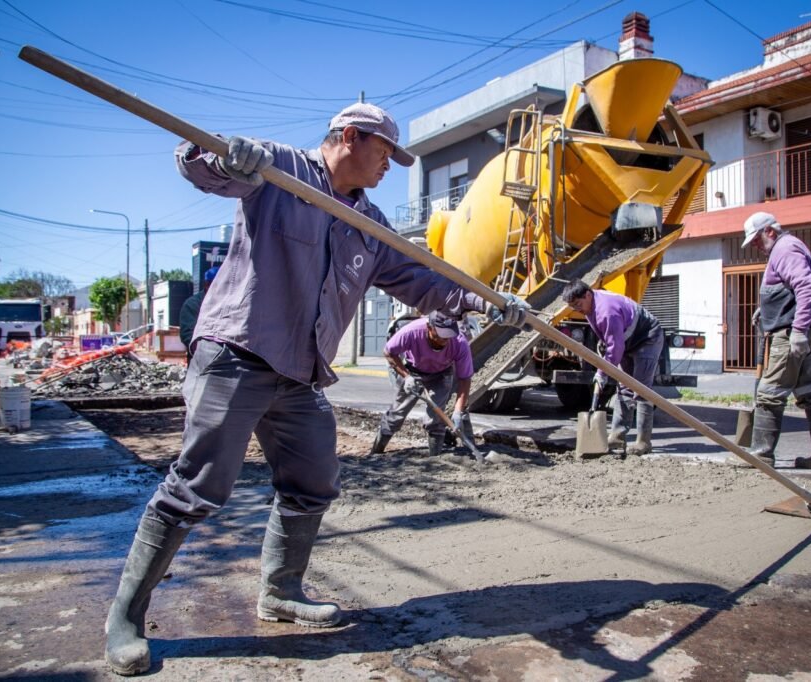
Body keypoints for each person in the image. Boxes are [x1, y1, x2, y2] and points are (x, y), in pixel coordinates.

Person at [103, 102, 530, 676]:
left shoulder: (369, 223)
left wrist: (489, 301)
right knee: (196, 489)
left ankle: (280, 592)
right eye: (384, 153)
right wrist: (226, 154)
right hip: (238, 353)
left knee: (312, 482)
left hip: (301, 372)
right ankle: (125, 619)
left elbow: (421, 282)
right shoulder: (278, 170)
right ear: (350, 137)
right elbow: (201, 166)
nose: (389, 166)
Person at [740, 211, 811, 471]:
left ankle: (761, 454)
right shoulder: (789, 248)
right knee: (808, 391)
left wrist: (797, 330)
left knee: (770, 393)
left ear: (770, 231)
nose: (756, 247)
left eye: (757, 240)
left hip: (791, 333)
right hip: (802, 328)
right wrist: (767, 309)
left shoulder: (784, 249)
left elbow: (806, 288)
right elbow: (791, 289)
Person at [561, 279, 664, 456]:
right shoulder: (589, 306)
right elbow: (611, 340)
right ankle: (617, 437)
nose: (577, 309)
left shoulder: (606, 311)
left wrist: (602, 372)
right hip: (627, 340)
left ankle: (643, 442)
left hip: (648, 337)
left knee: (641, 389)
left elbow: (616, 348)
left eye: (578, 304)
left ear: (587, 294)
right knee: (624, 389)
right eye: (573, 307)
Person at [372, 311, 475, 457]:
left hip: (441, 374)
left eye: (448, 336)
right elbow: (389, 352)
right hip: (413, 371)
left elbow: (465, 379)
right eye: (439, 335)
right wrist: (406, 376)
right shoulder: (411, 332)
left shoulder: (459, 342)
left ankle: (435, 457)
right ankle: (375, 452)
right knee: (396, 414)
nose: (444, 340)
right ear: (429, 327)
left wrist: (458, 411)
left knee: (436, 419)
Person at [178, 265, 219, 360]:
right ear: (207, 285)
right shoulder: (192, 305)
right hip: (200, 367)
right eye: (217, 285)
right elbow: (188, 336)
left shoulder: (230, 304)